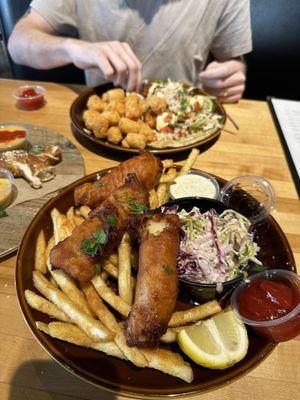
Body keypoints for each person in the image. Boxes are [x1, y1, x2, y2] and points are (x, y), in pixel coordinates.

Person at [8, 0, 252, 104]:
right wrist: (73, 48)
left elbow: (232, 59)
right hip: (100, 126)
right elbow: (18, 43)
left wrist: (231, 75)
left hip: (185, 122)